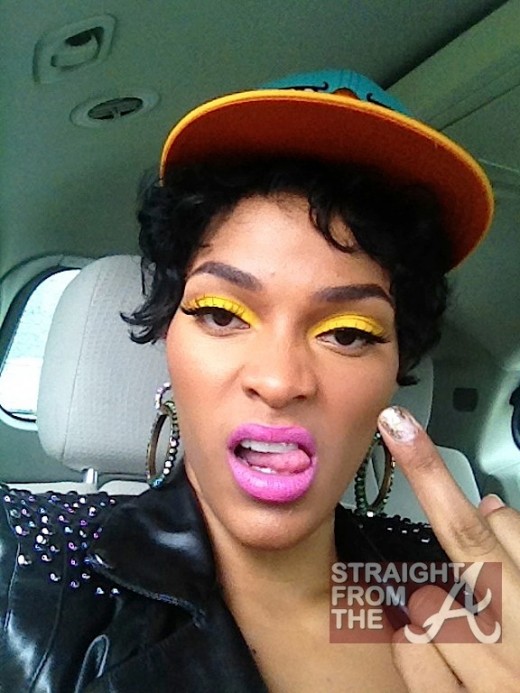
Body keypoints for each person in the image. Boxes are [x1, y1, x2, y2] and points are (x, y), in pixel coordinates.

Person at [0, 69, 518, 692]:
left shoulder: (455, 591)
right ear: (169, 339)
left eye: (348, 333)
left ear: (393, 375)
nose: (278, 381)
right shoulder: (24, 567)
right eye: (222, 315)